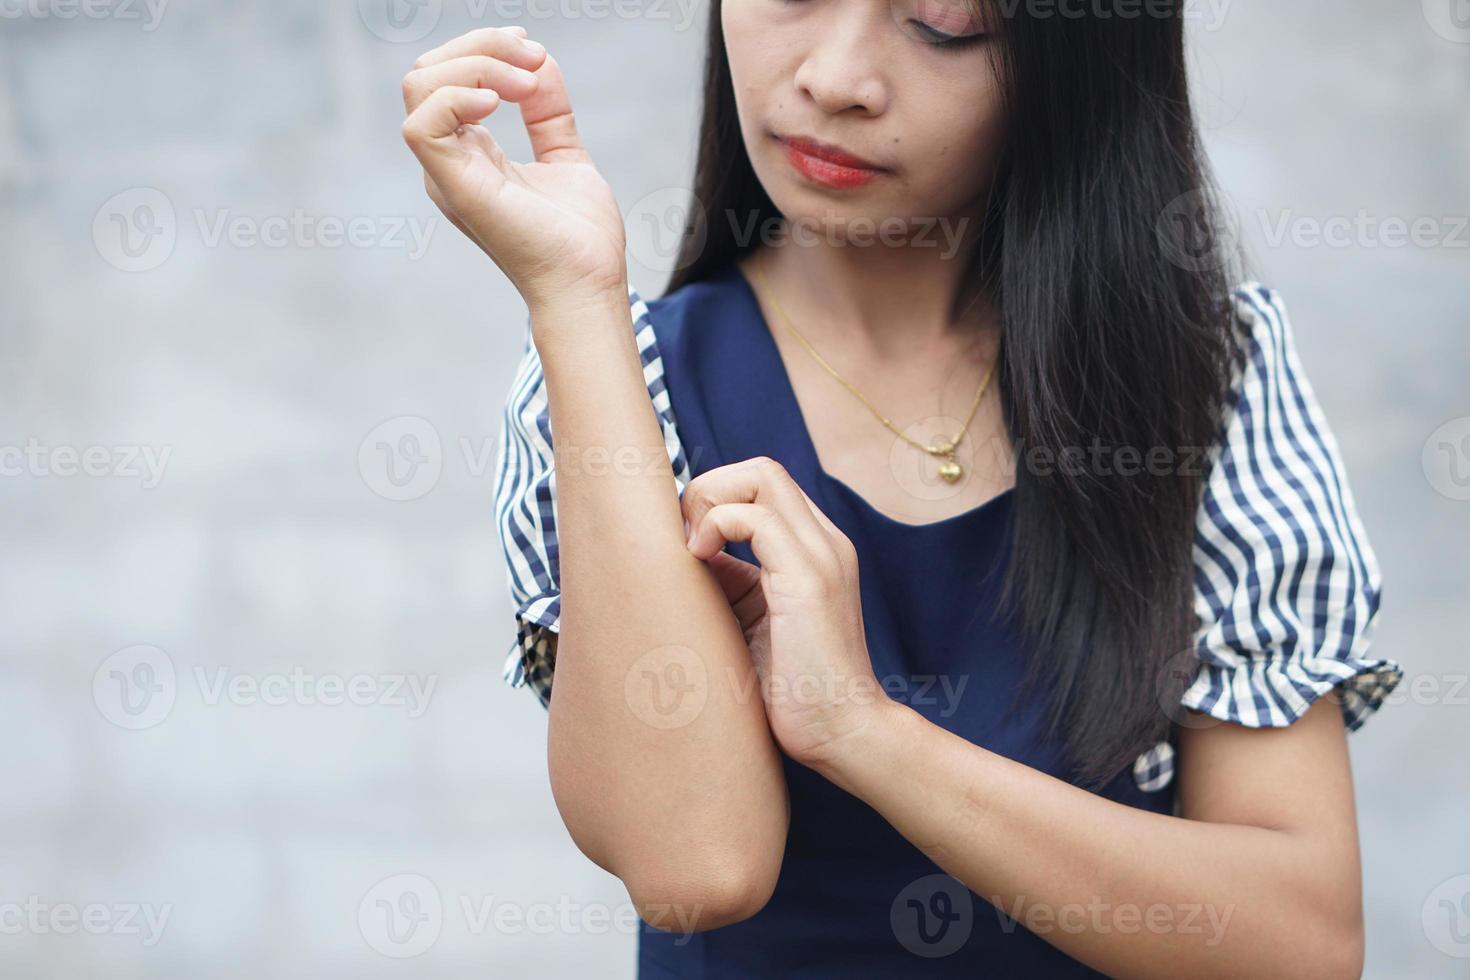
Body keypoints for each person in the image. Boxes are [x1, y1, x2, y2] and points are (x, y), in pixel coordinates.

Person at [400, 7, 1402, 977]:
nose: (836, 78)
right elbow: (695, 866)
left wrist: (868, 732)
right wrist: (575, 299)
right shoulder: (634, 384)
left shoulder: (1200, 376)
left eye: (943, 24)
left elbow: (1302, 937)